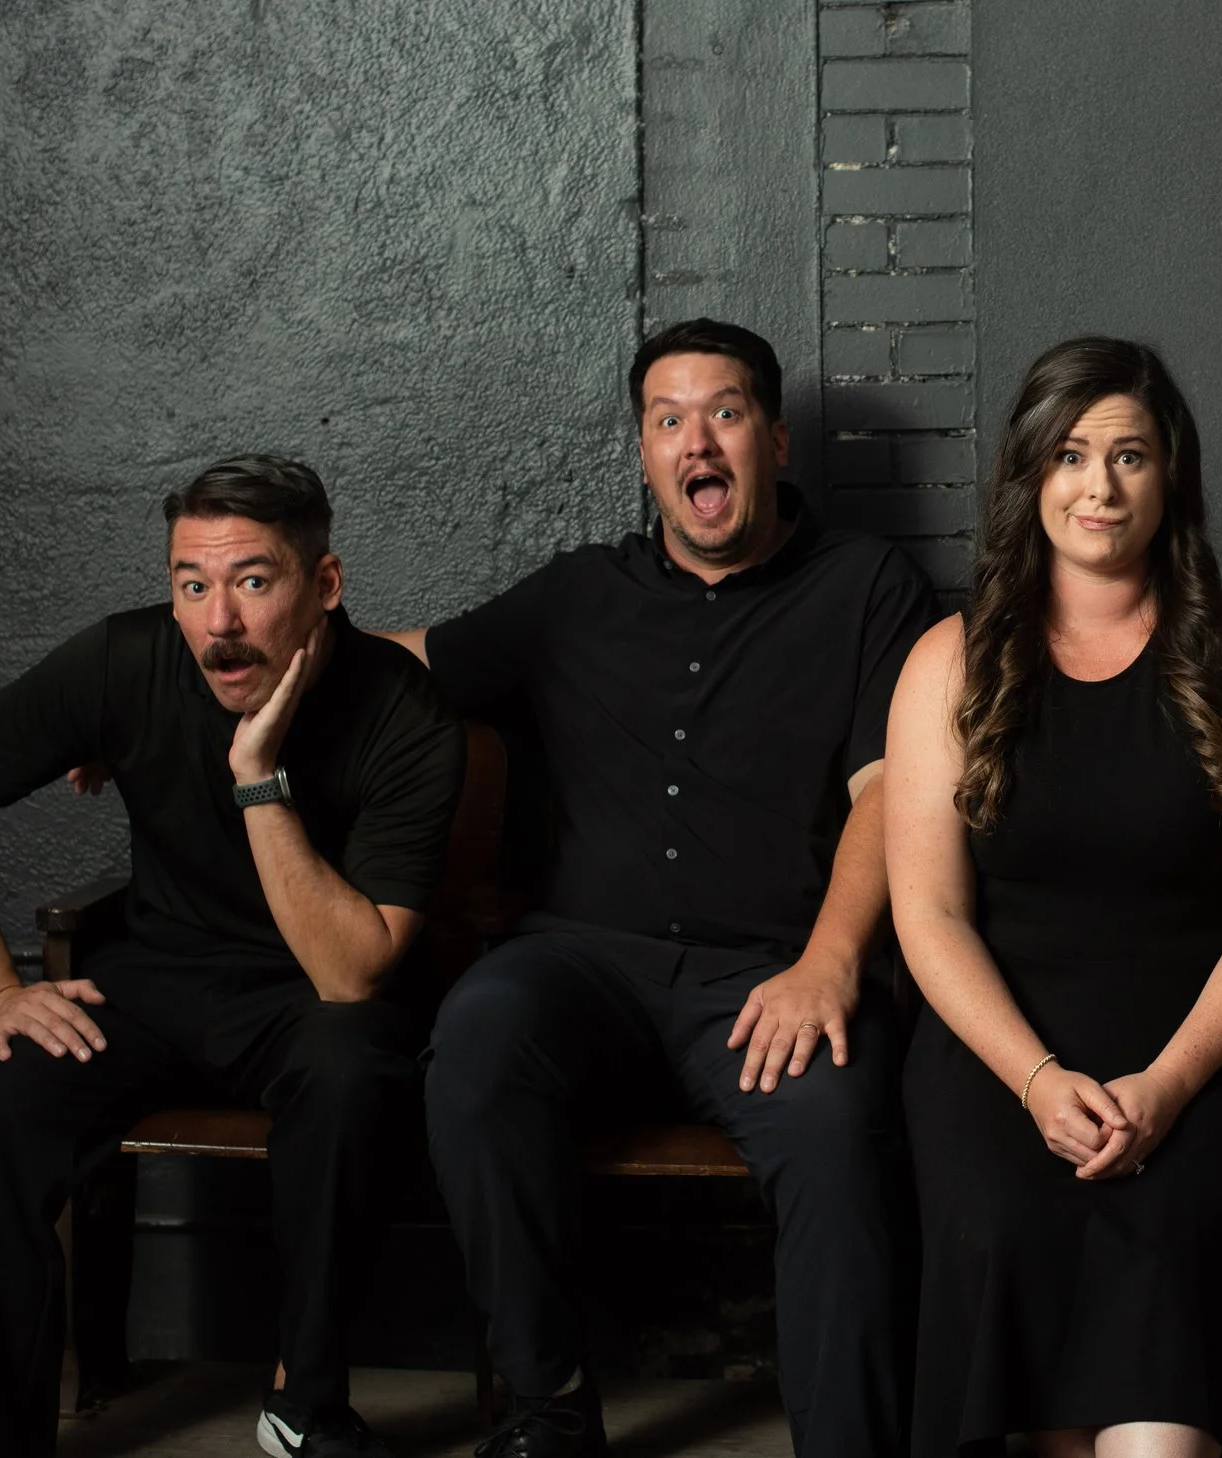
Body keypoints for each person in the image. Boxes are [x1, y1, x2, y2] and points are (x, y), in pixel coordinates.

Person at [382, 318, 938, 1456]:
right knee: (476, 1041)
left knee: (838, 1126)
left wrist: (830, 964)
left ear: (774, 439)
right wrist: (220, 671)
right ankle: (547, 1412)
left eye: (725, 412)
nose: (698, 441)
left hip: (769, 977)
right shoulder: (577, 593)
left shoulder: (866, 585)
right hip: (584, 964)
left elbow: (892, 792)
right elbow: (401, 665)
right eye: (668, 419)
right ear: (644, 453)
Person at [0, 456, 464, 1458]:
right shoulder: (126, 659)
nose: (218, 622)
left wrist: (257, 776)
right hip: (156, 985)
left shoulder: (403, 711)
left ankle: (305, 1406)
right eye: (192, 585)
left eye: (253, 580)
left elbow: (352, 973)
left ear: (325, 584)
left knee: (351, 1074)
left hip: (314, 1001)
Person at [885, 336, 1222, 1457]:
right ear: (1031, 473)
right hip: (997, 1056)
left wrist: (1168, 1086)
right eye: (1070, 455)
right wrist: (1037, 1081)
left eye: (1129, 455)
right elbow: (929, 914)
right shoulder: (948, 663)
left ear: (1169, 474)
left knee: (1159, 1416)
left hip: (1199, 1055)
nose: (1100, 487)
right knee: (1005, 1240)